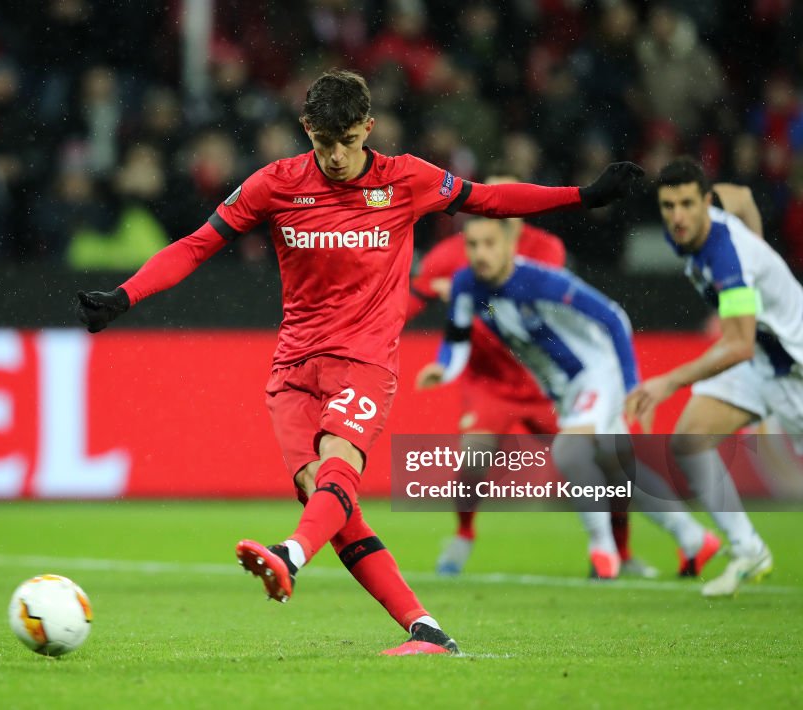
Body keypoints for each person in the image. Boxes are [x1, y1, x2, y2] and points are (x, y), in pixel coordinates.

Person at [75, 70, 643, 655]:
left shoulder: (407, 180)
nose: (339, 156)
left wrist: (584, 196)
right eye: (325, 143)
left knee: (338, 467)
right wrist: (124, 297)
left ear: (368, 129)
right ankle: (427, 631)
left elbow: (490, 199)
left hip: (365, 363)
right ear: (307, 132)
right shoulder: (275, 185)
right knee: (323, 497)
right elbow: (196, 245)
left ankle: (290, 557)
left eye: (348, 140)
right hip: (293, 370)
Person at [416, 215, 720, 579]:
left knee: (569, 450)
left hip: (595, 374)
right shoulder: (469, 285)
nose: (480, 253)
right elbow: (461, 334)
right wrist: (443, 368)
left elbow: (613, 317)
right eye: (473, 245)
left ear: (511, 245)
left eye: (490, 244)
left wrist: (630, 384)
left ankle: (602, 552)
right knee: (618, 469)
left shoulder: (541, 281)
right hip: (562, 390)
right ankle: (694, 538)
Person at [626, 157, 803, 596]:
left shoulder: (726, 257)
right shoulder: (707, 214)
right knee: (689, 439)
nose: (678, 216)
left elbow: (737, 343)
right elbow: (741, 197)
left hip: (793, 364)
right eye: (669, 206)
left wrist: (668, 381)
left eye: (687, 204)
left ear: (705, 202)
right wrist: (759, 248)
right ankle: (748, 549)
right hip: (761, 358)